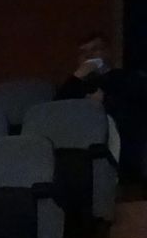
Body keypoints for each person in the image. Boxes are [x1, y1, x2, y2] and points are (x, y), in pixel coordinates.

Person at [58, 32, 147, 180]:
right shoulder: (76, 87)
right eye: (83, 52)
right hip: (83, 152)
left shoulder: (128, 79)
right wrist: (78, 76)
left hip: (126, 149)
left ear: (107, 52)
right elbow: (56, 110)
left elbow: (135, 111)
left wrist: (104, 100)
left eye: (95, 50)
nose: (89, 55)